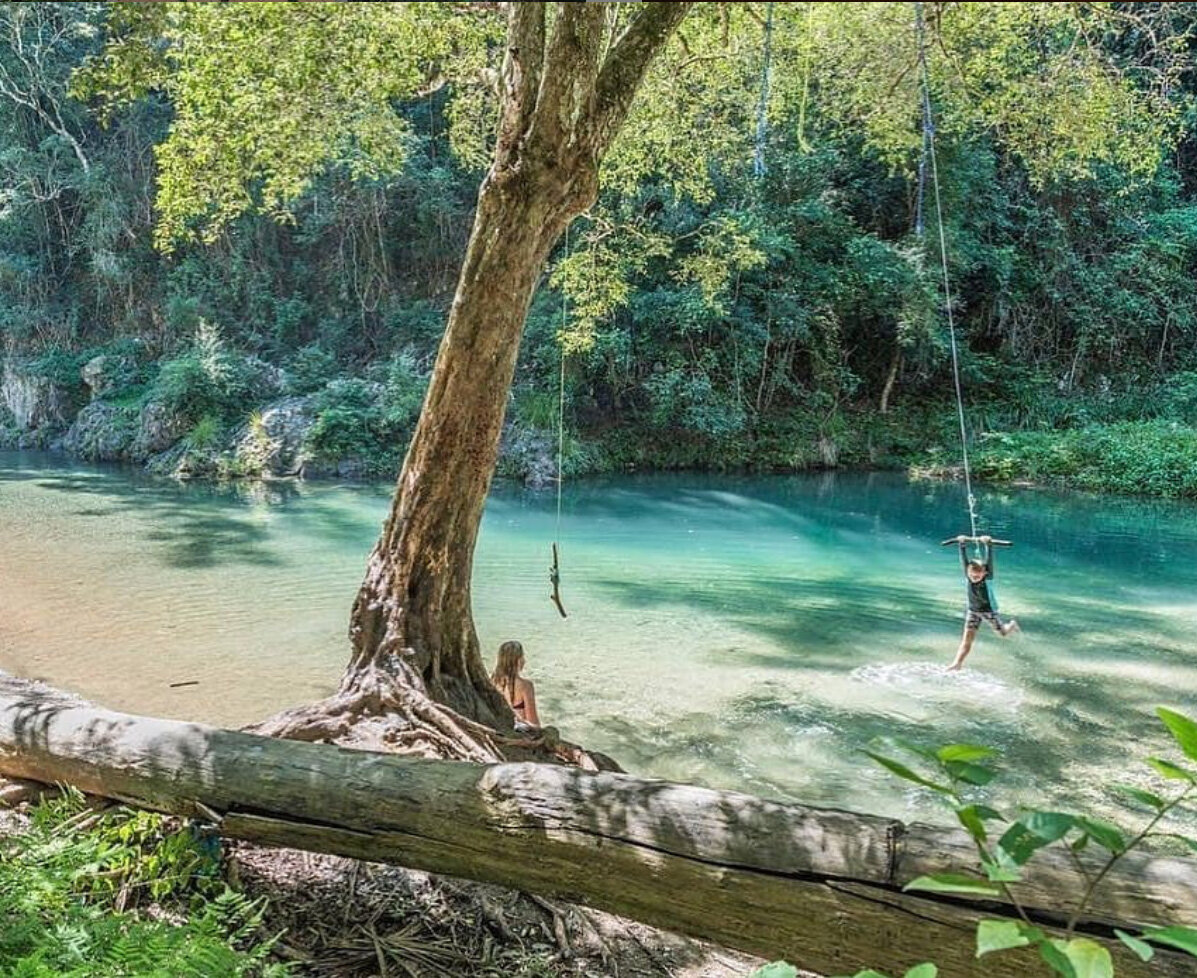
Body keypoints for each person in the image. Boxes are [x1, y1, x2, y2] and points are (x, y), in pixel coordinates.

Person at [948, 534, 1019, 671]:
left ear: (985, 573)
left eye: (978, 575)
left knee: (1003, 633)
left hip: (989, 611)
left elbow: (989, 562)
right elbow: (964, 561)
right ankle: (957, 663)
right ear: (968, 572)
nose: (974, 577)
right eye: (972, 574)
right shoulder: (968, 575)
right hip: (973, 611)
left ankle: (1011, 625)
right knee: (967, 639)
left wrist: (988, 545)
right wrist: (961, 544)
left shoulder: (988, 578)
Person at [490, 640, 540, 726]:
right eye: (522, 656)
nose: (525, 660)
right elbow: (533, 723)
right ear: (518, 660)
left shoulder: (492, 682)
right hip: (519, 733)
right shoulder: (525, 686)